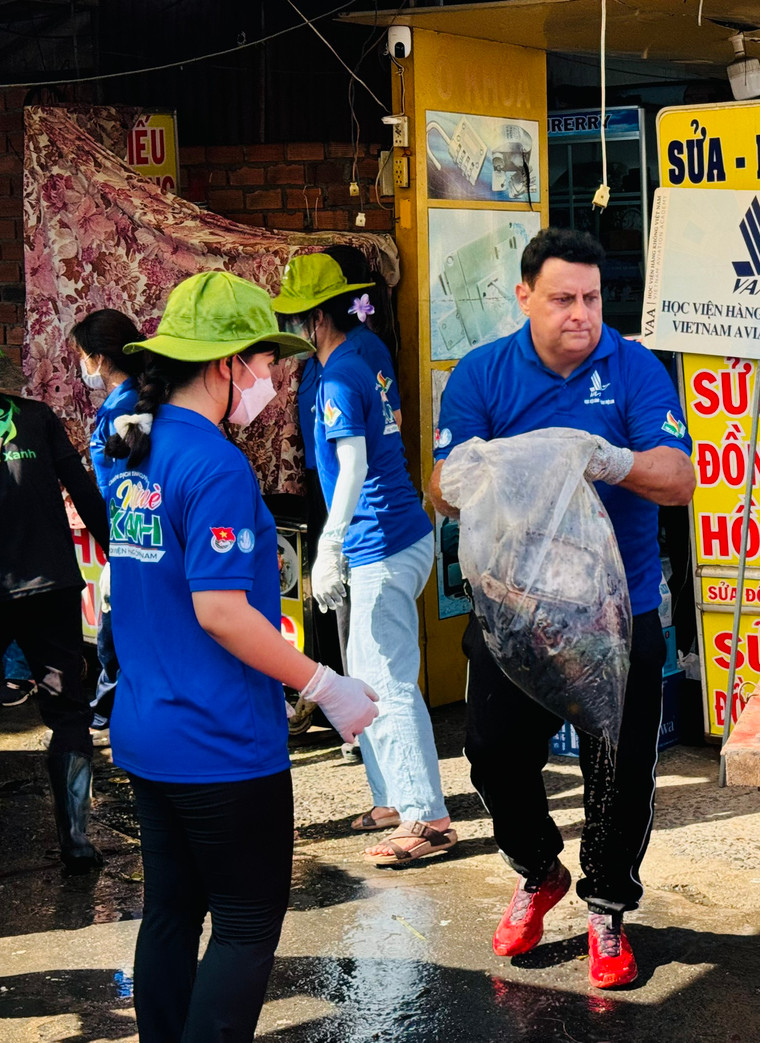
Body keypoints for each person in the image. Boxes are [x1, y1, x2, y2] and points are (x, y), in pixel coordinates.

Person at [103, 270, 379, 1043]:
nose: (268, 379)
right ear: (228, 364)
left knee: (170, 913)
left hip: (150, 732)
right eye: (261, 362)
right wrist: (325, 682)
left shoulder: (142, 452)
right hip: (221, 744)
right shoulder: (216, 466)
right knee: (248, 924)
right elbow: (220, 611)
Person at [428, 227, 695, 989]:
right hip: (516, 614)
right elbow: (440, 490)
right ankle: (537, 869)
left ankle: (607, 907)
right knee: (492, 755)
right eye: (563, 299)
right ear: (524, 297)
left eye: (592, 298)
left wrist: (613, 460)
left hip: (620, 613)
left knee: (620, 770)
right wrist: (479, 470)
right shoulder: (482, 375)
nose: (582, 314)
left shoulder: (633, 368)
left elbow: (679, 477)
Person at [273, 253, 453, 865]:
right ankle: (389, 797)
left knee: (388, 686)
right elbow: (392, 427)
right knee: (365, 677)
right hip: (401, 531)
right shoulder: (367, 349)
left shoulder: (338, 378)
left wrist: (330, 543)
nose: (290, 334)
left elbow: (351, 467)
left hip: (378, 541)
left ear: (317, 318)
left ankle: (426, 818)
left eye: (295, 319)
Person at [0, 372, 110, 873]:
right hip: (51, 584)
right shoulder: (38, 416)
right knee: (68, 712)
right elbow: (85, 492)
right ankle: (78, 843)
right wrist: (119, 558)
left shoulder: (41, 417)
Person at [291, 246, 400, 692]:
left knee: (348, 596)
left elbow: (378, 426)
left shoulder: (359, 350)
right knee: (334, 597)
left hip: (354, 489)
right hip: (327, 478)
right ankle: (343, 694)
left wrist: (335, 535)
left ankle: (358, 702)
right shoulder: (329, 351)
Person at [72, 308, 145, 727]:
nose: (82, 365)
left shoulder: (128, 406)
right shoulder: (123, 401)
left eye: (83, 355)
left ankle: (109, 708)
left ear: (99, 358)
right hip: (123, 528)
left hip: (131, 529)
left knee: (116, 628)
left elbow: (129, 479)